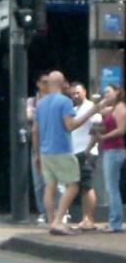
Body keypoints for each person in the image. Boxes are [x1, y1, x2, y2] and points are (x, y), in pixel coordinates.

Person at [32, 71, 103, 235]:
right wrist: (91, 112)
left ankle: (51, 221)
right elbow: (70, 125)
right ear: (63, 83)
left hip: (45, 151)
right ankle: (58, 222)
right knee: (73, 186)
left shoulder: (41, 104)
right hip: (62, 150)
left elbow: (35, 130)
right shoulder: (65, 102)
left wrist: (37, 154)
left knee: (50, 187)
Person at [86, 84, 126, 233]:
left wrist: (103, 137)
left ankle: (115, 222)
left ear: (117, 92)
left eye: (108, 92)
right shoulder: (113, 108)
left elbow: (121, 129)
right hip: (110, 150)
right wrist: (100, 103)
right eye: (105, 92)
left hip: (115, 150)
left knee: (112, 187)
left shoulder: (121, 108)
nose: (106, 94)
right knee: (111, 186)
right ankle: (114, 220)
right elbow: (96, 113)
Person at [69, 82, 103, 230]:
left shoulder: (91, 108)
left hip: (87, 152)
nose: (75, 96)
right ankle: (85, 218)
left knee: (87, 186)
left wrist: (88, 150)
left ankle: (90, 219)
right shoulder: (74, 109)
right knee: (82, 186)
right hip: (75, 152)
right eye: (73, 94)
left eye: (78, 92)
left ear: (85, 92)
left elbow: (97, 130)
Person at [27, 72, 50, 224]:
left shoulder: (54, 99)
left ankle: (56, 211)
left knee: (55, 181)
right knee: (39, 182)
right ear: (37, 83)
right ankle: (43, 211)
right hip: (37, 144)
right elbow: (28, 116)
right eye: (43, 82)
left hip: (52, 143)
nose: (46, 85)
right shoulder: (32, 101)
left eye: (48, 82)